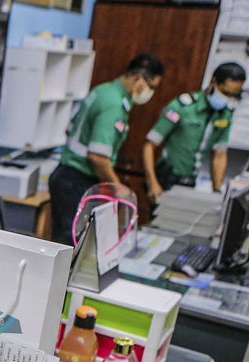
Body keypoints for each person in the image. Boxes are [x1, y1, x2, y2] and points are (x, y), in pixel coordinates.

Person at [49, 53, 165, 245]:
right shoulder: (113, 104)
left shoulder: (102, 91)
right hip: (77, 180)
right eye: (151, 87)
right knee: (70, 248)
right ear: (138, 78)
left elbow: (69, 128)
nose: (150, 93)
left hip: (66, 175)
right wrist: (118, 189)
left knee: (67, 243)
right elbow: (98, 157)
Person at [143, 62, 246, 200]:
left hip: (191, 182)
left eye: (233, 95)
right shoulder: (183, 106)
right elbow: (149, 145)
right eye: (225, 92)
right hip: (166, 179)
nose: (227, 98)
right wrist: (152, 183)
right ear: (214, 82)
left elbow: (220, 154)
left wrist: (216, 193)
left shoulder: (226, 115)